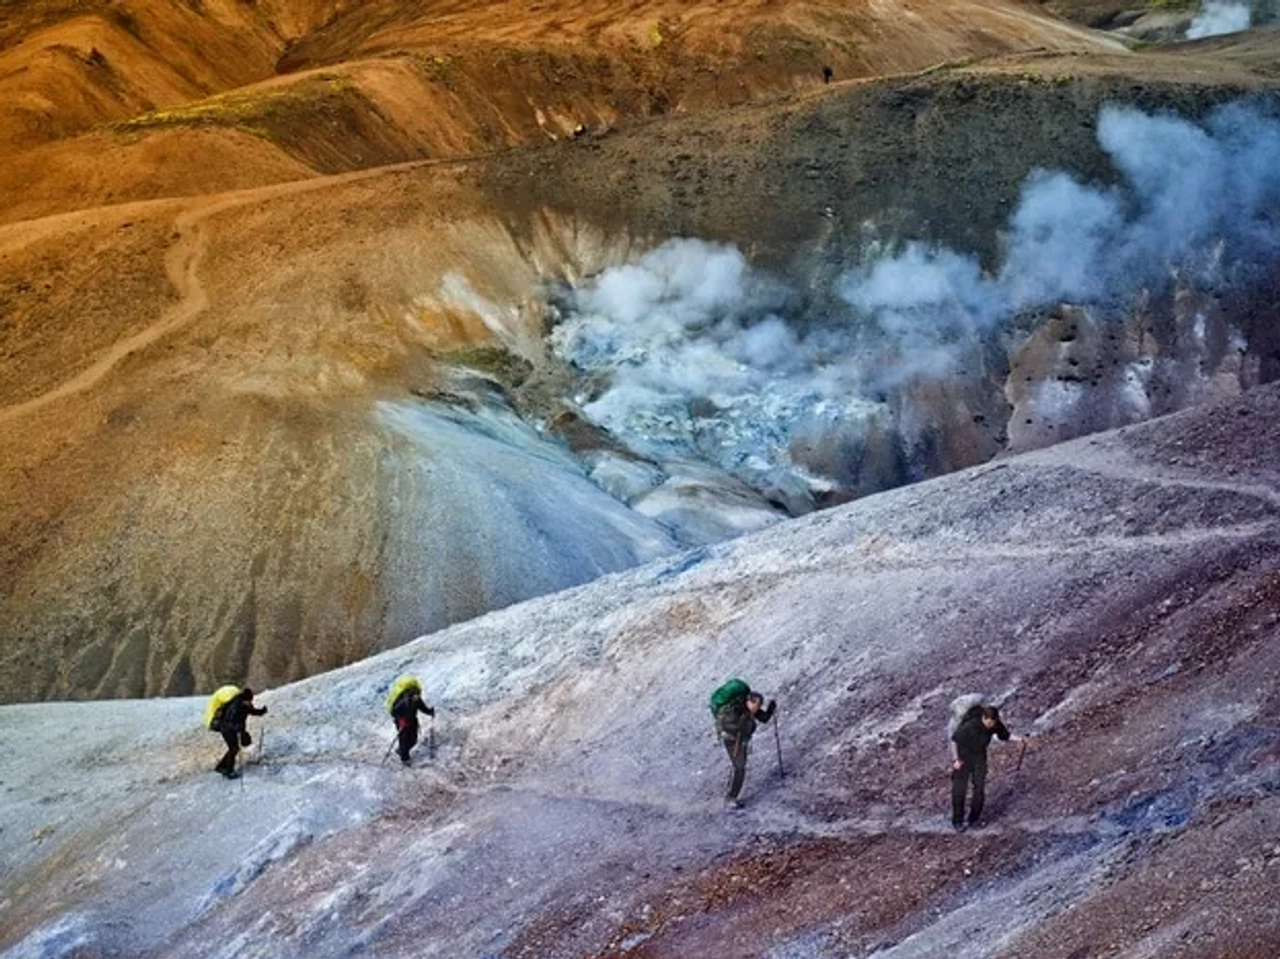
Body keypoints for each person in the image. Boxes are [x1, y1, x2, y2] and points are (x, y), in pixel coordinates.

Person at [950, 702, 1021, 830]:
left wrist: (1019, 739)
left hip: (979, 757)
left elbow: (1005, 735)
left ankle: (973, 820)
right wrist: (955, 760)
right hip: (963, 756)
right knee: (959, 789)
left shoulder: (995, 724)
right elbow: (954, 741)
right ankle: (957, 821)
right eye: (989, 723)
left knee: (979, 788)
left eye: (993, 723)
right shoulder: (970, 725)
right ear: (983, 718)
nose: (991, 726)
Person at [714, 687, 776, 811]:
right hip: (732, 741)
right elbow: (731, 727)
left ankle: (731, 797)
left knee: (740, 767)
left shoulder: (750, 709)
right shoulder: (733, 710)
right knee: (740, 768)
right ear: (750, 702)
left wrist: (770, 709)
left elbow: (763, 718)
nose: (757, 709)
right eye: (757, 706)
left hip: (740, 741)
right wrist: (746, 725)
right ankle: (731, 799)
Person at [214, 688, 267, 779]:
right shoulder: (235, 705)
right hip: (226, 728)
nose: (250, 703)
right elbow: (229, 720)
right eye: (249, 701)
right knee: (234, 748)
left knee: (234, 748)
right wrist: (238, 729)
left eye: (251, 701)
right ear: (244, 699)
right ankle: (228, 771)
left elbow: (252, 711)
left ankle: (222, 767)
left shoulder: (245, 704)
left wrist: (261, 711)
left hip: (233, 729)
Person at [391, 682, 436, 766]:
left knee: (413, 740)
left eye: (418, 695)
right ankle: (405, 759)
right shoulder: (403, 701)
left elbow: (423, 708)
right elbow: (393, 711)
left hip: (412, 722)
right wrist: (400, 719)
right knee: (404, 741)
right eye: (416, 696)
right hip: (402, 723)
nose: (418, 697)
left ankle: (401, 751)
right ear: (411, 695)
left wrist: (430, 712)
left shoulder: (418, 700)